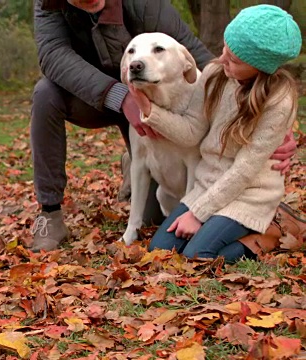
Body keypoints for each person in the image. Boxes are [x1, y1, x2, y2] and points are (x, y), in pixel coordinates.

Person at [29, 0, 299, 252]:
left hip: (156, 95)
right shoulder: (48, 5)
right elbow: (53, 56)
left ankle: (257, 222)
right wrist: (122, 97)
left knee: (156, 219)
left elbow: (193, 53)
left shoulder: (146, 5)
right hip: (96, 95)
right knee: (45, 94)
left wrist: (266, 123)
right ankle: (50, 211)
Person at [129, 4, 303, 262]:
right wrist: (149, 110)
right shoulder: (214, 74)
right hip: (207, 186)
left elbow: (244, 171)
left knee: (199, 255)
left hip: (250, 194)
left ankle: (270, 232)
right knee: (161, 251)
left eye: (234, 59)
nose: (222, 60)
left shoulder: (278, 101)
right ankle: (224, 229)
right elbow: (191, 132)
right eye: (225, 49)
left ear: (260, 67)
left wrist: (197, 214)